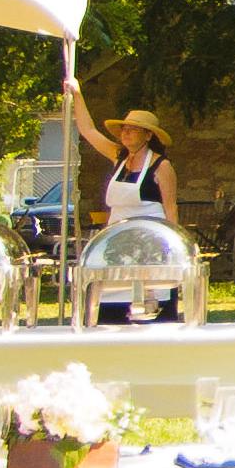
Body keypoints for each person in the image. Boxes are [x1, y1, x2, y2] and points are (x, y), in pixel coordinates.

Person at [65, 83, 181, 321]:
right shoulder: (118, 157)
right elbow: (88, 130)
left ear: (148, 136)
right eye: (124, 129)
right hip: (118, 241)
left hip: (150, 243)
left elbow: (171, 207)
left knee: (149, 298)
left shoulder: (162, 166)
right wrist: (77, 93)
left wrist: (176, 248)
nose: (126, 134)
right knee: (112, 299)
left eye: (133, 130)